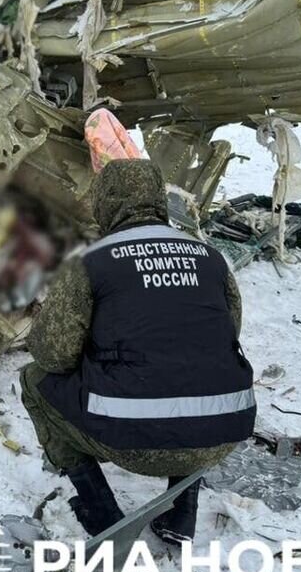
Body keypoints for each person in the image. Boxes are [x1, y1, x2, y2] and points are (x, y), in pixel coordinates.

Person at [20, 159, 255, 543]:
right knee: (195, 371)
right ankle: (182, 514)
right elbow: (227, 334)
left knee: (33, 382)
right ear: (158, 199)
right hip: (224, 433)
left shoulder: (92, 263)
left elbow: (52, 356)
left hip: (132, 442)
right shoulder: (211, 259)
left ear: (105, 202)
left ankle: (103, 515)